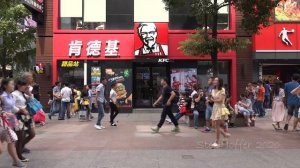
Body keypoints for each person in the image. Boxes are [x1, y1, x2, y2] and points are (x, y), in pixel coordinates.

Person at [0, 79, 26, 167]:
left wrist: (20, 110)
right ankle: (17, 159)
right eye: (11, 84)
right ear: (5, 86)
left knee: (12, 139)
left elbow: (13, 106)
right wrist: (4, 113)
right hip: (3, 121)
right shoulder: (2, 96)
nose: (13, 85)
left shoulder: (10, 95)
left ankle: (16, 160)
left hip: (10, 120)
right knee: (12, 139)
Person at [12, 80, 36, 162]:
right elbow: (11, 106)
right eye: (24, 85)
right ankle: (19, 155)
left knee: (32, 134)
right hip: (18, 116)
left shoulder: (24, 94)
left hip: (27, 116)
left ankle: (18, 149)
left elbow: (32, 101)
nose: (26, 87)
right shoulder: (14, 94)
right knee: (20, 137)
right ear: (18, 85)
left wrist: (29, 94)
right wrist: (20, 110)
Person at [210, 77, 230, 148]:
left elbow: (221, 100)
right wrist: (211, 100)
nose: (214, 81)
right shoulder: (213, 89)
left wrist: (213, 100)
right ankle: (225, 135)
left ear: (219, 82)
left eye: (216, 80)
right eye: (214, 80)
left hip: (220, 108)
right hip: (215, 108)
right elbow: (214, 99)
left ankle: (217, 142)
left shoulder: (222, 89)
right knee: (213, 125)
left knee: (217, 125)